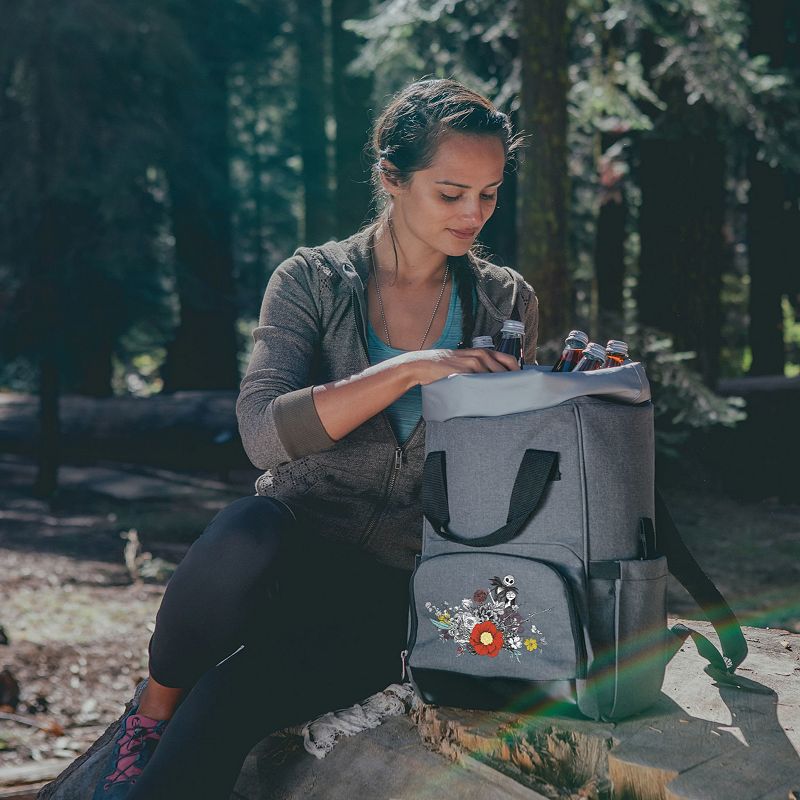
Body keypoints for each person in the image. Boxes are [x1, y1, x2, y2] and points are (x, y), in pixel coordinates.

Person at [43, 77, 539, 800]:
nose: (473, 213)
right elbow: (261, 433)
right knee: (246, 529)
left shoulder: (504, 300)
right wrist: (410, 370)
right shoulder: (311, 280)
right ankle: (149, 715)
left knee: (228, 704)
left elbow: (500, 469)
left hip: (398, 592)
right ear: (391, 179)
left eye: (489, 194)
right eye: (451, 191)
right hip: (283, 558)